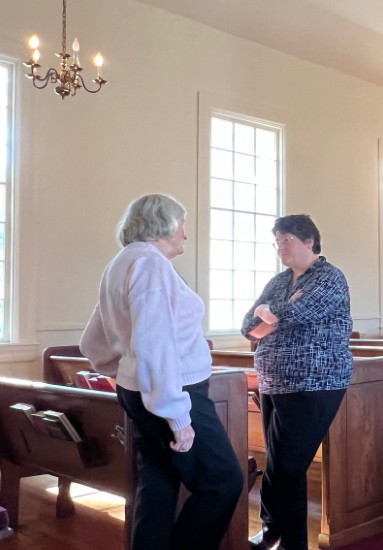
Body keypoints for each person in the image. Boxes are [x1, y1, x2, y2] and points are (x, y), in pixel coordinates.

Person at [80, 194, 242, 550]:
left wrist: (126, 372)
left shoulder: (123, 262)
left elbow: (93, 341)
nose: (185, 234)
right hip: (172, 393)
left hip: (143, 390)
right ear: (163, 225)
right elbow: (156, 344)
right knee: (223, 482)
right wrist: (176, 414)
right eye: (182, 225)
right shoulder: (150, 265)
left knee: (157, 482)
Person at [242, 214, 354, 550]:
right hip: (273, 382)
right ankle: (271, 529)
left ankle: (291, 542)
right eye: (277, 242)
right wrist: (272, 313)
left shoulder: (329, 277)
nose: (281, 247)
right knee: (277, 462)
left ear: (310, 241)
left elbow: (297, 313)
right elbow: (248, 326)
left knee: (289, 466)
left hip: (315, 382)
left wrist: (272, 313)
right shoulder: (279, 281)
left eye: (287, 240)